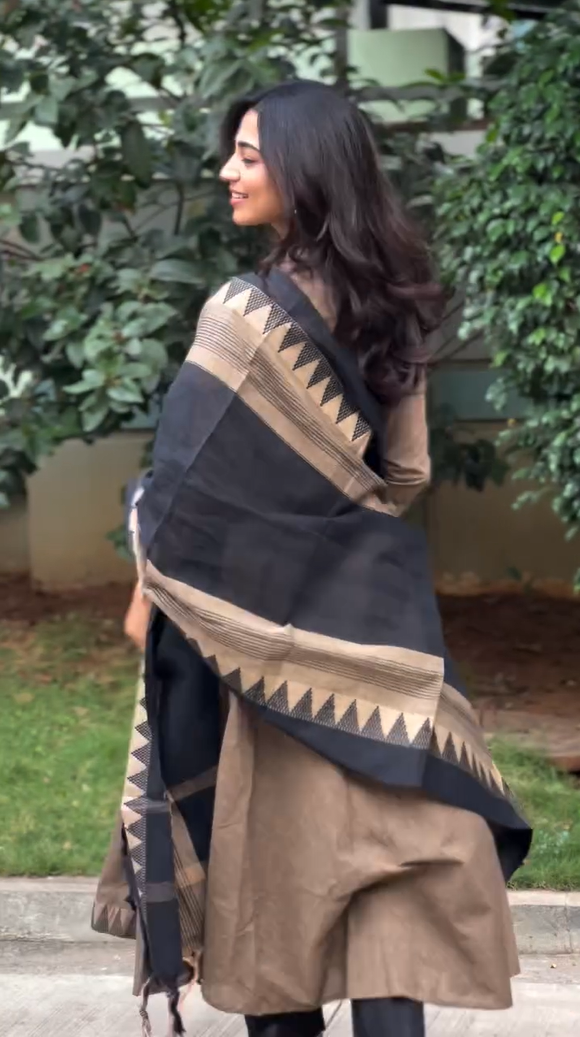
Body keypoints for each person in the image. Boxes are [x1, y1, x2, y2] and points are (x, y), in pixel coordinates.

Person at [94, 81, 531, 1037]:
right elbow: (403, 472)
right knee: (394, 903)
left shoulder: (241, 316)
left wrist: (159, 566)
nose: (228, 171)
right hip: (379, 641)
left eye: (249, 156)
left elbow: (181, 494)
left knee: (276, 903)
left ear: (305, 168)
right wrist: (332, 516)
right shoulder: (392, 307)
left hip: (266, 650)